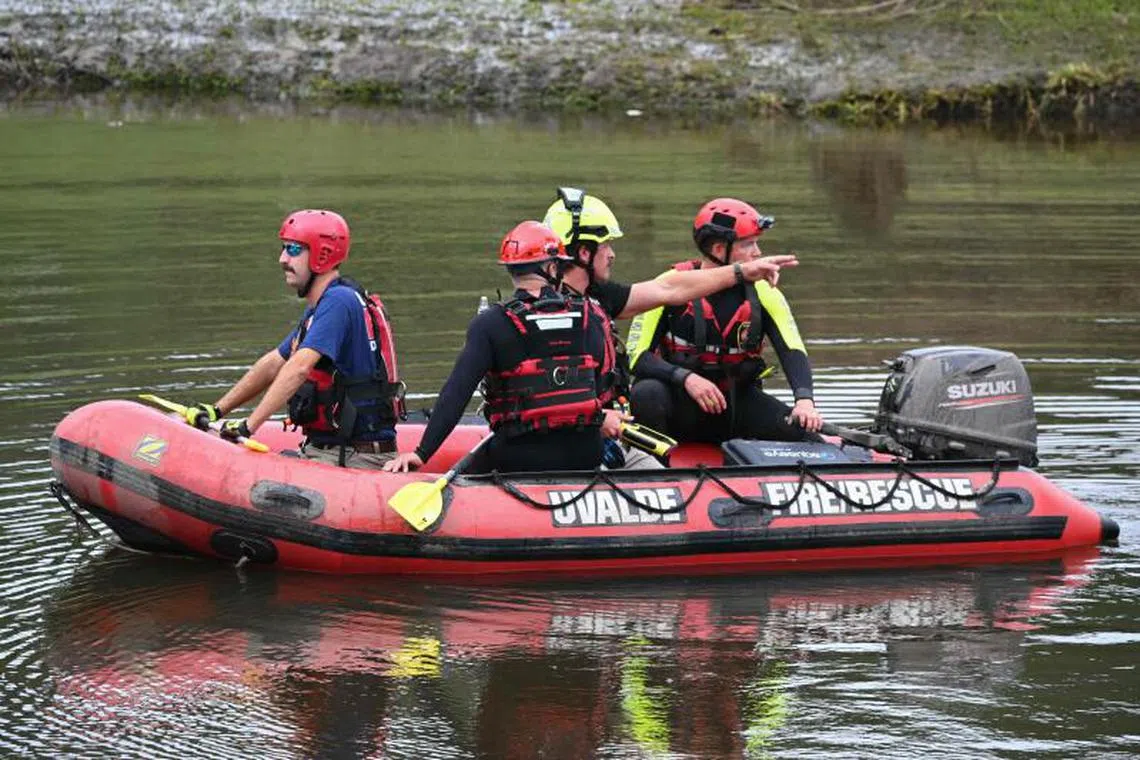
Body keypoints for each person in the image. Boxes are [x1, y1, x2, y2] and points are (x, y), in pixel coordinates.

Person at [539, 188, 800, 465]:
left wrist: (742, 272)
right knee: (647, 393)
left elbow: (669, 288)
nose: (613, 254)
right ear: (583, 252)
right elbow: (547, 393)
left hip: (600, 427)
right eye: (606, 246)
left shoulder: (602, 298)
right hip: (571, 434)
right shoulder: (542, 314)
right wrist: (597, 417)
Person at [383, 221, 616, 474]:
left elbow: (456, 393)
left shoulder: (491, 324)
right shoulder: (590, 317)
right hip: (585, 455)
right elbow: (601, 390)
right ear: (551, 267)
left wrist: (422, 453)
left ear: (512, 270)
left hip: (519, 457)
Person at [185, 209, 404, 469]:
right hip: (332, 451)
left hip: (355, 458)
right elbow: (275, 362)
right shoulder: (324, 304)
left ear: (322, 255)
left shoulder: (338, 302)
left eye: (293, 249)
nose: (282, 259)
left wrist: (248, 426)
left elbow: (299, 368)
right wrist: (217, 411)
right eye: (283, 248)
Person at [625, 198, 823, 445]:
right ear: (719, 249)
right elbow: (635, 356)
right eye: (748, 244)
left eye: (757, 244)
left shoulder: (765, 291)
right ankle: (656, 474)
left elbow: (792, 350)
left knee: (807, 436)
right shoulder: (668, 285)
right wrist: (686, 378)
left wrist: (804, 400)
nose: (758, 253)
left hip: (737, 406)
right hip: (679, 406)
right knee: (645, 394)